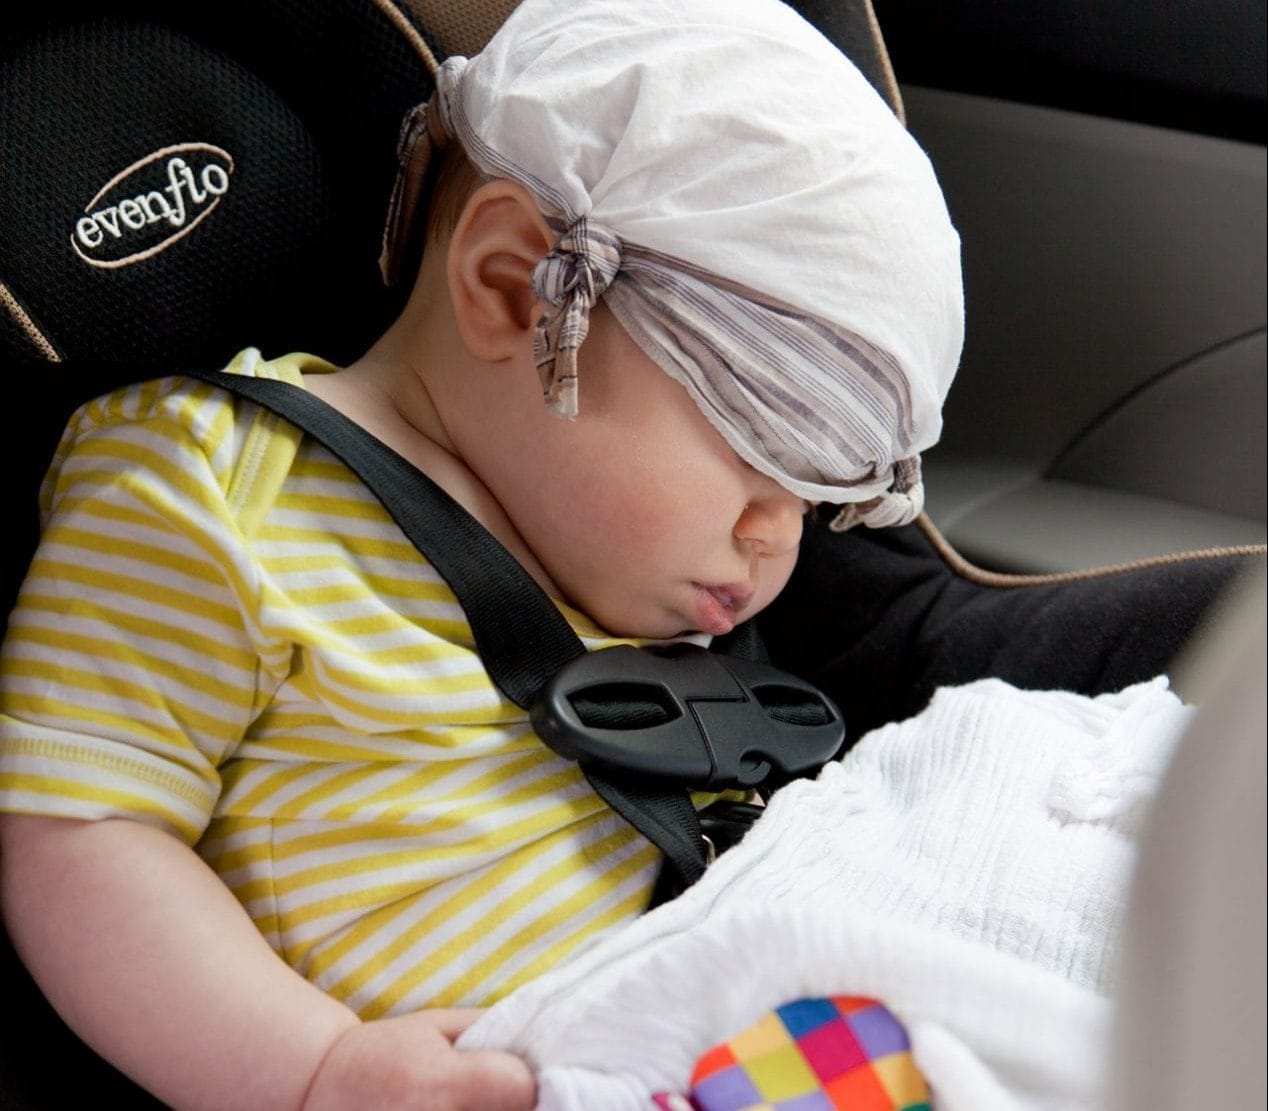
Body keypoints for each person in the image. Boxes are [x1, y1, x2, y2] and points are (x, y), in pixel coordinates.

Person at [0, 0, 962, 1106]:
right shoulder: (209, 484)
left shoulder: (629, 560)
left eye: (824, 493)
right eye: (756, 444)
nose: (775, 535)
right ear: (513, 286)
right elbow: (84, 829)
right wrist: (311, 1068)